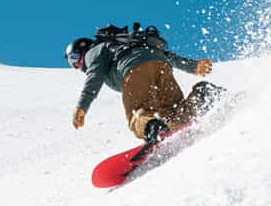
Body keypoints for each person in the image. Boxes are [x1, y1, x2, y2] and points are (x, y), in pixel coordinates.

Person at [65, 28, 222, 144]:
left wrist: (82, 106)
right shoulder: (125, 44)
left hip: (133, 70)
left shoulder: (93, 52)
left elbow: (95, 76)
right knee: (174, 112)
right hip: (161, 65)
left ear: (83, 51)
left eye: (75, 59)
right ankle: (203, 95)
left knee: (137, 114)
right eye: (73, 63)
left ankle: (152, 128)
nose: (77, 65)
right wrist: (193, 66)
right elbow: (167, 56)